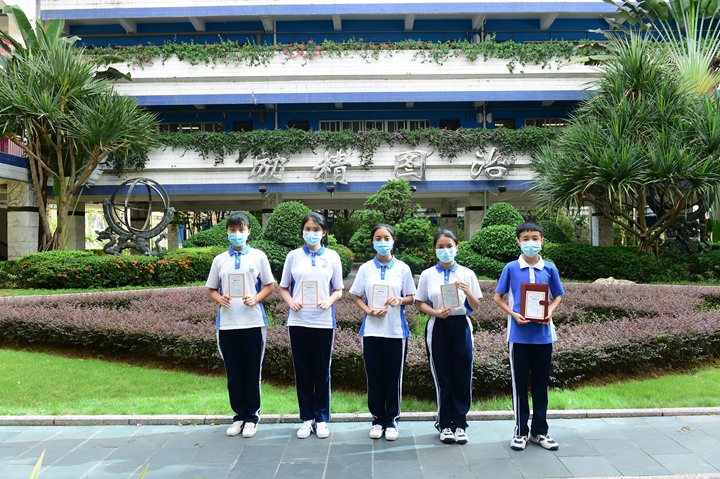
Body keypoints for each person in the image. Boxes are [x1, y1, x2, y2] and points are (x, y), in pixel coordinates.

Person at [493, 221, 565, 452]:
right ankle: (521, 431)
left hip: (544, 336)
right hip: (519, 337)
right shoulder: (511, 268)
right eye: (526, 239)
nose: (530, 243)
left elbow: (558, 296)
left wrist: (549, 311)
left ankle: (540, 431)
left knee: (541, 385)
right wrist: (514, 314)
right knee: (520, 386)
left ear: (542, 241)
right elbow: (497, 297)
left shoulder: (549, 268)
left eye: (535, 238)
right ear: (518, 242)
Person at [206, 212, 276, 439]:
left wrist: (255, 299)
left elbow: (269, 285)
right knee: (234, 374)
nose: (237, 234)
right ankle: (239, 416)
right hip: (227, 325)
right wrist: (221, 299)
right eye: (232, 230)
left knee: (252, 372)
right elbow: (211, 289)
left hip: (253, 323)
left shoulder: (258, 256)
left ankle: (252, 417)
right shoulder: (219, 260)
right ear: (227, 232)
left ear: (248, 232)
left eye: (241, 230)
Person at [279, 212, 344, 439]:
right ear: (302, 231)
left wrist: (329, 301)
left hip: (323, 323)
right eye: (308, 229)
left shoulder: (333, 257)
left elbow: (338, 289)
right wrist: (291, 302)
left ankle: (322, 418)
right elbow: (283, 287)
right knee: (303, 371)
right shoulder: (293, 256)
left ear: (324, 232)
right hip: (298, 322)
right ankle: (307, 418)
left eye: (316, 229)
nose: (312, 233)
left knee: (322, 371)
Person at [349, 223, 416, 441]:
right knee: (374, 377)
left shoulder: (403, 268)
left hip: (396, 332)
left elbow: (412, 297)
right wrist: (368, 310)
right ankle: (377, 419)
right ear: (372, 241)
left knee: (394, 378)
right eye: (378, 238)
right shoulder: (365, 269)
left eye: (387, 238)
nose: (382, 242)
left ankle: (392, 420)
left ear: (393, 241)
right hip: (371, 331)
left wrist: (400, 300)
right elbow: (356, 295)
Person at [415, 229, 482, 445]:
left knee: (462, 375)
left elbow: (476, 305)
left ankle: (460, 424)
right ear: (435, 249)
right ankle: (444, 424)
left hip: (461, 325)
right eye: (440, 247)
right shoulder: (427, 275)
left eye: (449, 246)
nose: (445, 250)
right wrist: (435, 312)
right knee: (442, 376)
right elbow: (420, 302)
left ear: (457, 247)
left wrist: (468, 291)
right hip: (438, 326)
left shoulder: (467, 273)